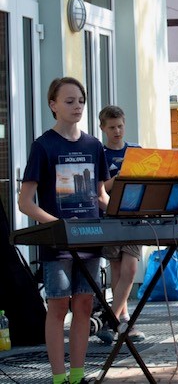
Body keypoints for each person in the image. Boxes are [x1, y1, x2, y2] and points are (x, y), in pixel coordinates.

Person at [18, 77, 110, 384]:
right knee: (57, 307)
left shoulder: (94, 146)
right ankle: (59, 378)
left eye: (81, 101)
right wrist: (56, 226)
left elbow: (100, 195)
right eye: (69, 101)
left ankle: (78, 375)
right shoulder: (43, 146)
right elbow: (25, 203)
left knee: (84, 304)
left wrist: (127, 211)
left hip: (91, 240)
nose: (77, 106)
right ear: (53, 105)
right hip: (58, 244)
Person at [94, 105, 145, 344]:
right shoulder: (100, 154)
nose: (117, 131)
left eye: (120, 126)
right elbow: (101, 188)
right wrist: (121, 175)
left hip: (134, 217)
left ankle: (112, 319)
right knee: (116, 269)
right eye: (112, 127)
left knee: (131, 269)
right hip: (110, 217)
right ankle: (124, 320)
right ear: (103, 128)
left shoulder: (135, 151)